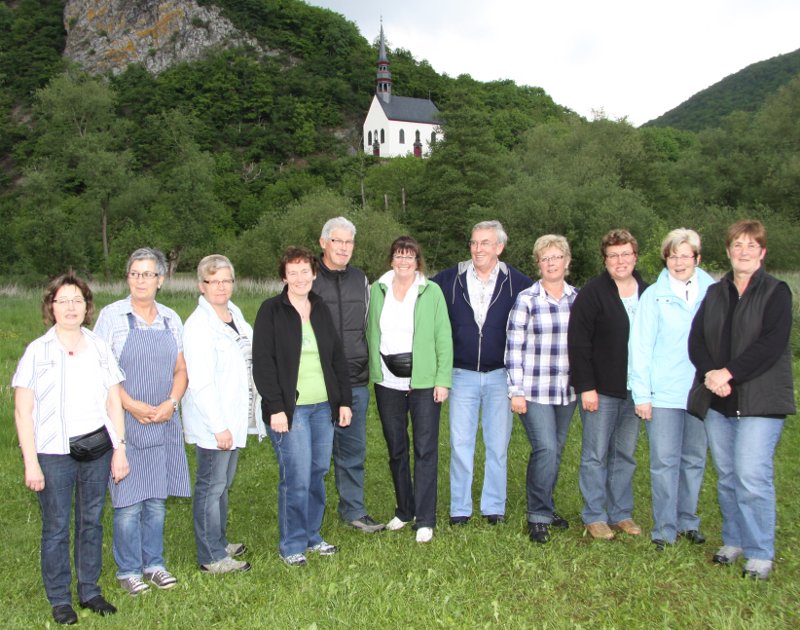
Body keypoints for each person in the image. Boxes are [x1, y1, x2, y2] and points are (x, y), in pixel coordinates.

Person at [12, 273, 128, 624]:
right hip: (53, 454)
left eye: (77, 300)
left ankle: (90, 590)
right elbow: (23, 410)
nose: (71, 307)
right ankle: (60, 599)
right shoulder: (38, 351)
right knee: (57, 526)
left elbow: (114, 401)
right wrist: (32, 463)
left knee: (91, 522)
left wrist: (120, 449)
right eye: (63, 300)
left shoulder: (98, 346)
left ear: (87, 306)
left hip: (97, 448)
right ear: (51, 306)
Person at [688, 219, 793, 580]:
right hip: (719, 400)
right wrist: (711, 375)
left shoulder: (776, 291)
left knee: (752, 474)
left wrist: (728, 373)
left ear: (762, 252)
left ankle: (760, 552)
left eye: (751, 245)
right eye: (737, 245)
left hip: (760, 401)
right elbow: (697, 341)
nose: (743, 251)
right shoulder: (716, 293)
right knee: (729, 475)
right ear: (729, 251)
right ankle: (734, 540)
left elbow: (771, 345)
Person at [94, 248, 191, 595]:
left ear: (160, 280)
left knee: (156, 500)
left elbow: (181, 370)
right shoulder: (111, 316)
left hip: (163, 418)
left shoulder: (170, 319)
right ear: (128, 278)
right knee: (128, 502)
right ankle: (128, 570)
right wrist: (132, 405)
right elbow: (102, 372)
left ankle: (154, 564)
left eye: (148, 274)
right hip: (125, 420)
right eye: (135, 273)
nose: (141, 280)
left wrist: (171, 402)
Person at [252, 246, 352, 567]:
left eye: (304, 271)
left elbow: (336, 357)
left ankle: (312, 535)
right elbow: (263, 364)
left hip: (324, 408)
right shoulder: (271, 311)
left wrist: (344, 401)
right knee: (295, 477)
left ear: (313, 273)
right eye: (292, 272)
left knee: (317, 471)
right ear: (284, 276)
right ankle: (292, 544)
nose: (299, 278)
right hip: (290, 412)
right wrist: (276, 407)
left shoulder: (320, 309)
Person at [432, 220, 532, 526]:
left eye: (485, 243)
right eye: (474, 243)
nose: (478, 249)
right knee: (461, 444)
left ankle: (493, 507)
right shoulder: (449, 279)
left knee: (497, 445)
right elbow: (419, 298)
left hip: (501, 375)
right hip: (461, 375)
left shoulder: (518, 283)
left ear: (499, 247)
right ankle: (460, 509)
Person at [629, 229, 715, 551]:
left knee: (693, 459)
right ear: (666, 258)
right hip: (663, 393)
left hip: (701, 391)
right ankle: (664, 529)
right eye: (673, 255)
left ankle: (687, 521)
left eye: (686, 255)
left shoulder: (715, 291)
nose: (679, 262)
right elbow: (639, 346)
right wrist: (643, 395)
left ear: (698, 258)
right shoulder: (653, 295)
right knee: (664, 462)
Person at [368, 236, 453, 543]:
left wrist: (443, 379)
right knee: (396, 448)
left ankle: (426, 518)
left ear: (418, 262)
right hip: (387, 382)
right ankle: (405, 510)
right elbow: (369, 331)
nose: (404, 262)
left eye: (410, 257)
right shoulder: (376, 290)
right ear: (391, 259)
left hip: (424, 381)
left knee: (425, 448)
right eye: (398, 256)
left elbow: (443, 336)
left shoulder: (431, 292)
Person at [567, 229, 648, 540]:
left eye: (625, 254)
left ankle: (621, 513)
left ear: (635, 256)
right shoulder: (593, 293)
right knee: (595, 454)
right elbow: (579, 343)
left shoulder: (648, 291)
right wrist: (586, 386)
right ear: (605, 260)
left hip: (635, 390)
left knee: (624, 453)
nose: (620, 260)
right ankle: (595, 514)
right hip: (601, 389)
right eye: (613, 256)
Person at [182, 255, 260, 574]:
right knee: (210, 487)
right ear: (202, 286)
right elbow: (200, 383)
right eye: (214, 281)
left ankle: (219, 539)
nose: (221, 287)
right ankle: (211, 556)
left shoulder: (234, 313)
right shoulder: (198, 326)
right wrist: (219, 427)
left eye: (227, 280)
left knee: (223, 484)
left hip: (234, 416)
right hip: (214, 423)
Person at [313, 217, 384, 533]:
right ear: (323, 242)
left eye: (349, 242)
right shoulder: (307, 277)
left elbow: (371, 325)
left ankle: (354, 509)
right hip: (316, 381)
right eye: (337, 241)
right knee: (315, 456)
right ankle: (309, 515)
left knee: (352, 450)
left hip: (354, 379)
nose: (343, 248)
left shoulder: (362, 280)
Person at [506, 235, 578, 544]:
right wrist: (516, 389)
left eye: (556, 257)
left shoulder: (579, 299)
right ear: (538, 264)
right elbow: (514, 347)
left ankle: (546, 508)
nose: (551, 263)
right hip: (534, 391)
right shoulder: (527, 299)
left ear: (567, 261)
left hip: (567, 391)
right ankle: (537, 516)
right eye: (545, 259)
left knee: (556, 450)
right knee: (546, 447)